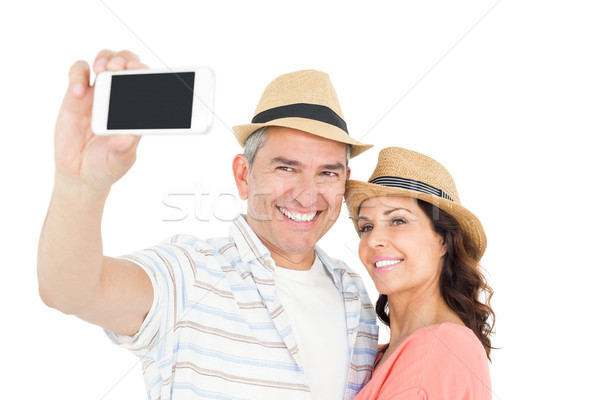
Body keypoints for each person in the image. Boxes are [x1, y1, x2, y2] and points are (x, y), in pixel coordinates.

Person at [37, 49, 379, 400]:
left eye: (327, 173)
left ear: (346, 182)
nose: (308, 195)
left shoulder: (355, 294)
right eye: (286, 168)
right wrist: (78, 187)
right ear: (244, 176)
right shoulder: (190, 273)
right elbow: (73, 290)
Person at [344, 147, 495, 399]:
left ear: (443, 241)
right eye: (366, 227)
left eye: (398, 221)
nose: (373, 240)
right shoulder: (376, 356)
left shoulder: (444, 348)